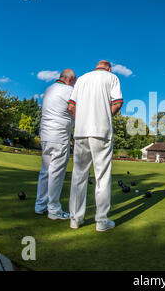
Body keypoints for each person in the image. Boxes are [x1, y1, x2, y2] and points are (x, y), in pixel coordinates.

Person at [68, 60, 123, 232]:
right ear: (109, 68)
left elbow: (71, 106)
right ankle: (101, 221)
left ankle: (75, 219)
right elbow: (118, 102)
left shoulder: (82, 78)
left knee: (78, 175)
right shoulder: (112, 77)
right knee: (102, 176)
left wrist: (82, 121)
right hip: (101, 131)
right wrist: (105, 117)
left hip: (80, 132)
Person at [35, 69, 77, 220]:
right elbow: (73, 108)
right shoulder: (69, 90)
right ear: (70, 79)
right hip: (59, 135)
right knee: (56, 173)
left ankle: (40, 206)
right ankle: (54, 210)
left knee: (45, 171)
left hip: (45, 135)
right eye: (74, 81)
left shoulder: (49, 89)